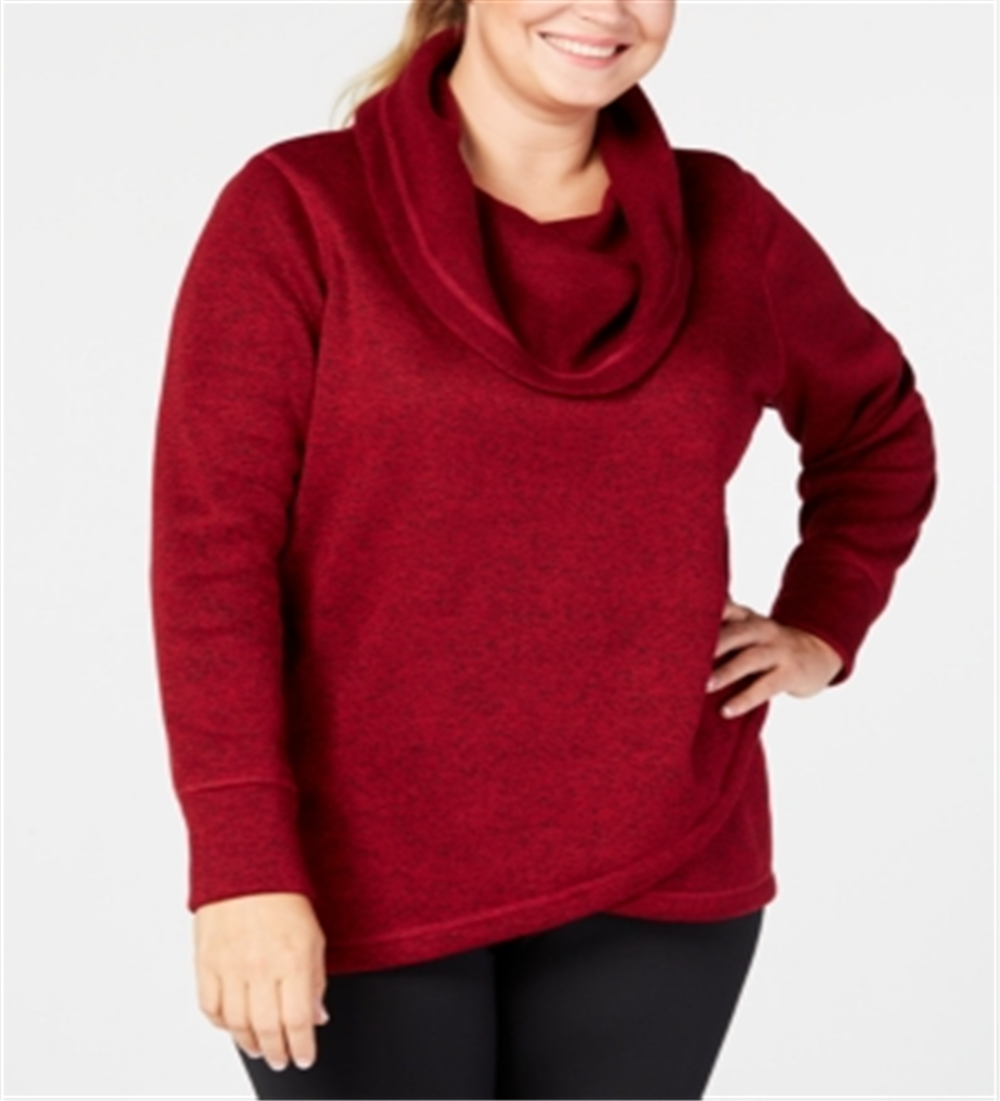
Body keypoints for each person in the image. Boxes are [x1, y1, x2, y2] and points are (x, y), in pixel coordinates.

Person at [150, 1, 937, 1097]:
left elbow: (878, 429)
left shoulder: (731, 223)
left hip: (662, 867)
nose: (605, 8)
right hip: (355, 872)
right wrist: (240, 867)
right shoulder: (300, 210)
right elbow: (212, 560)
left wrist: (822, 624)